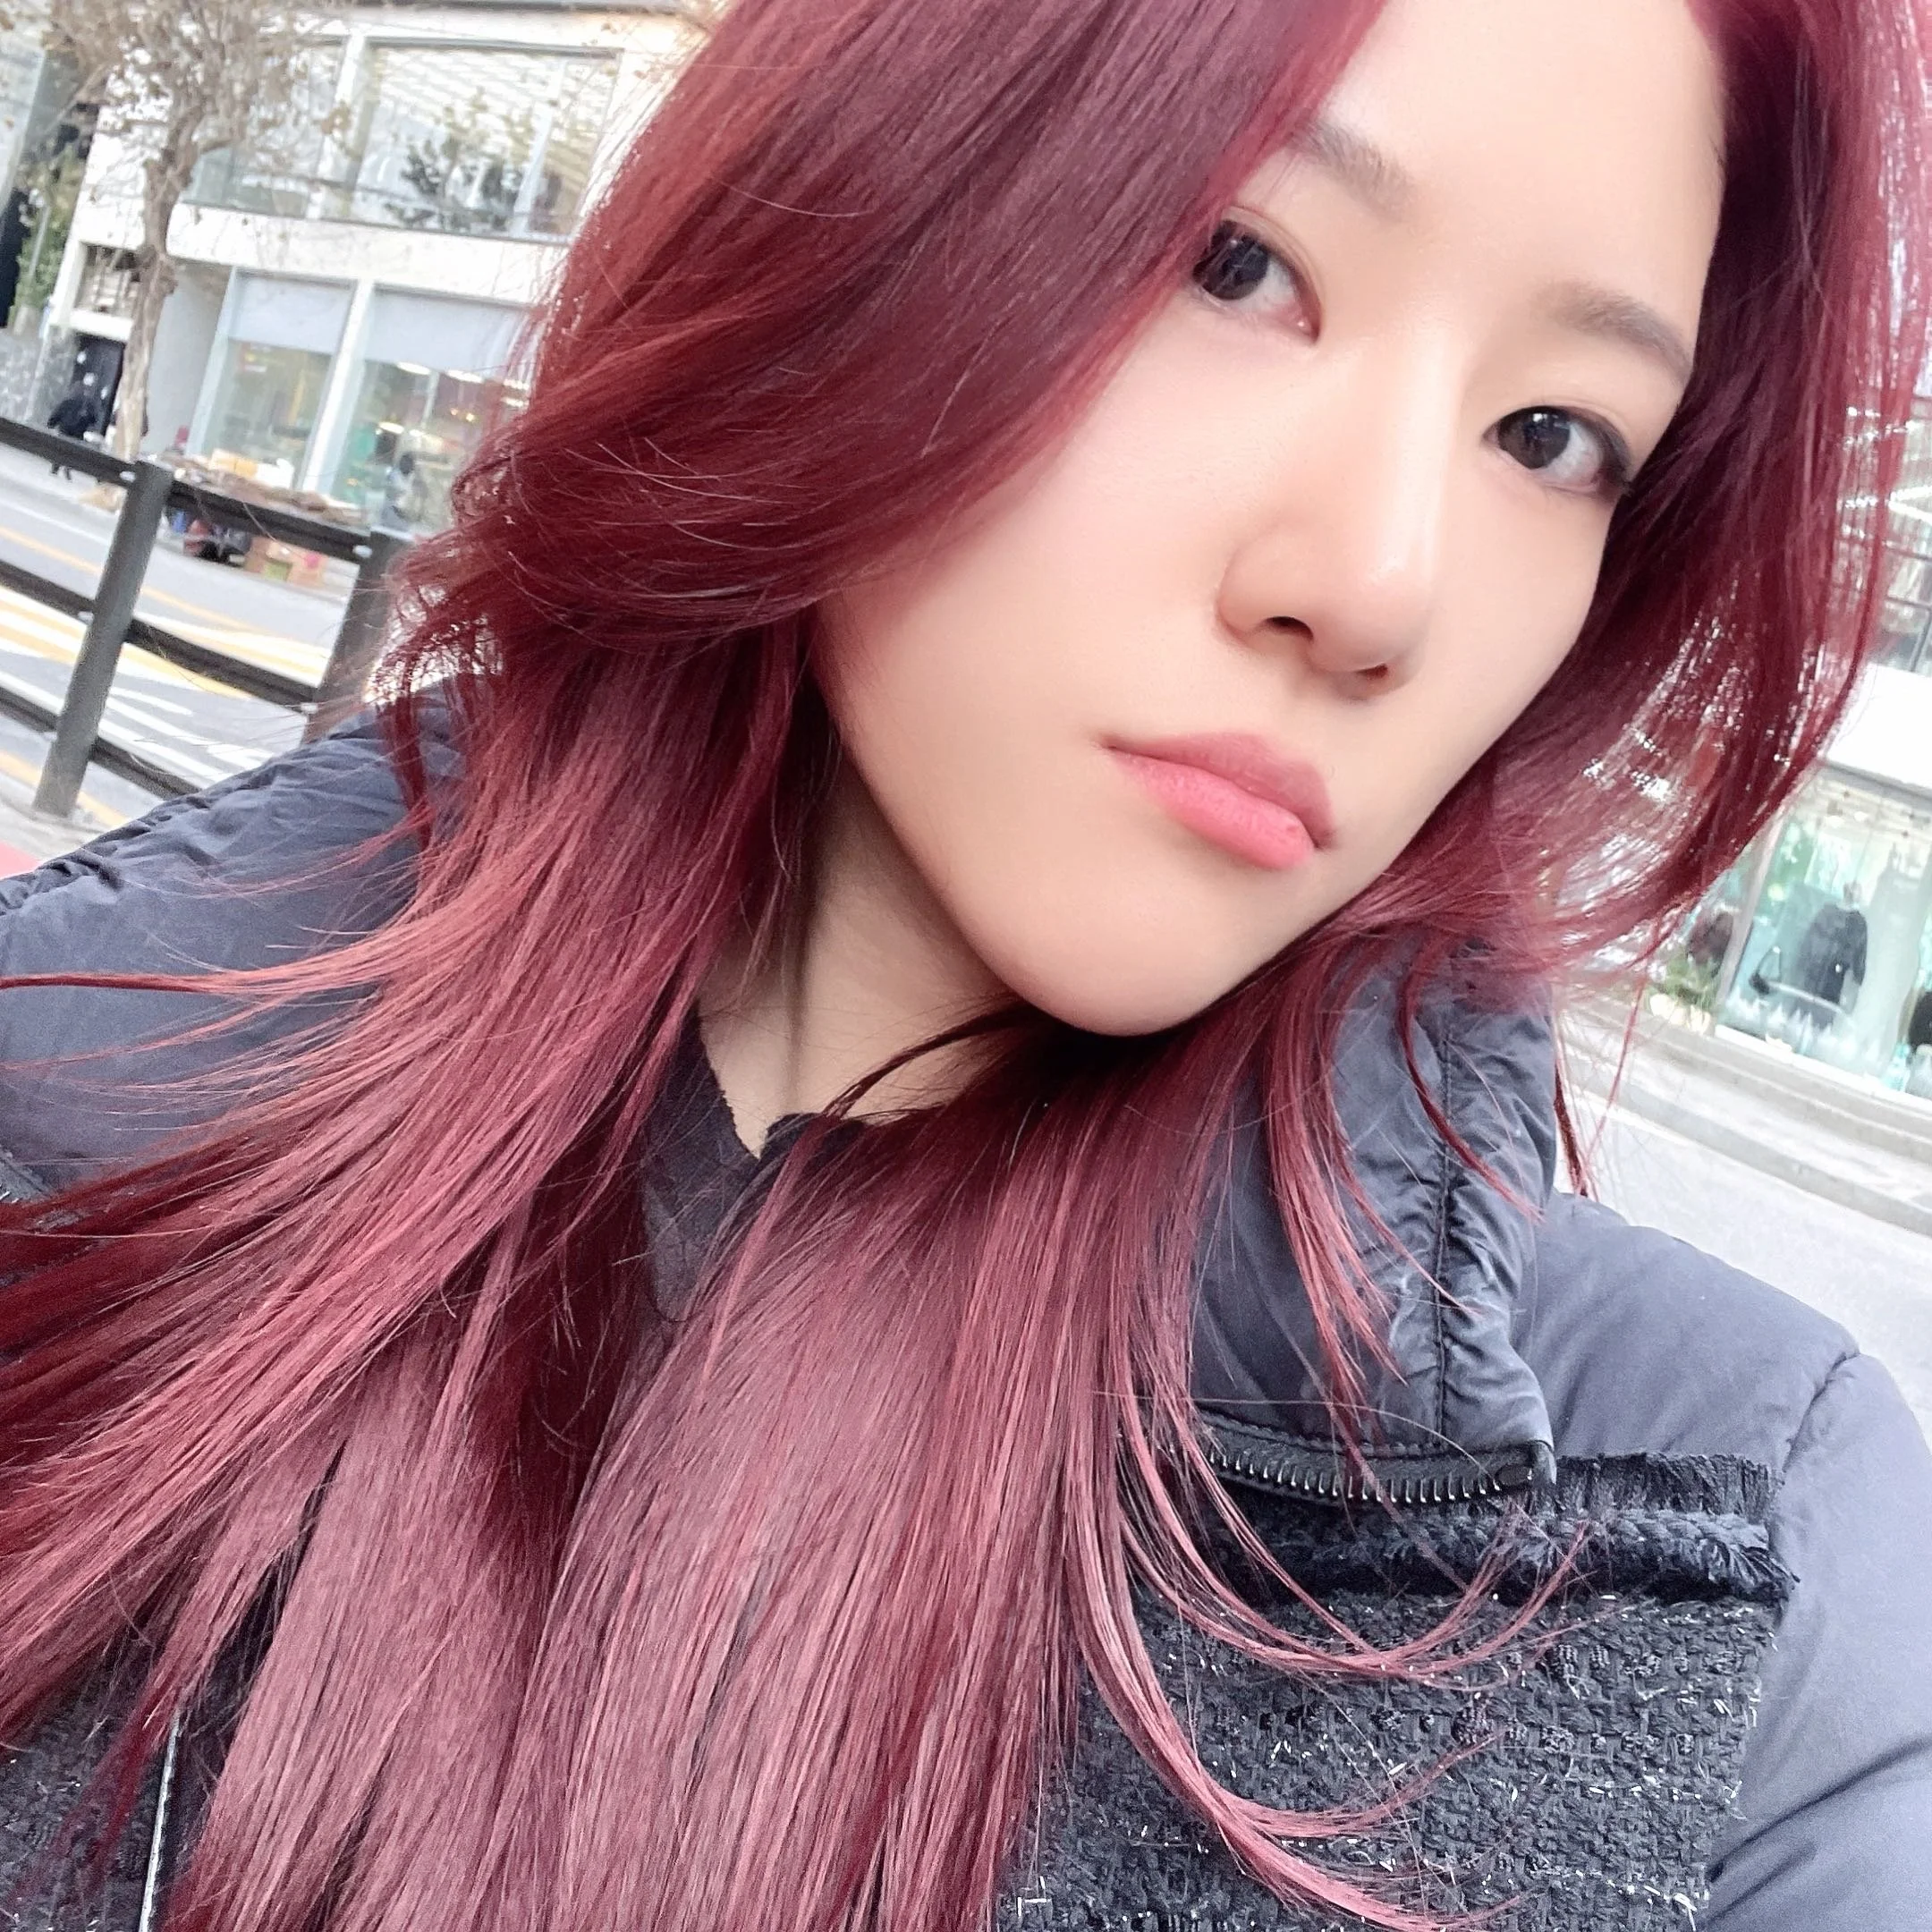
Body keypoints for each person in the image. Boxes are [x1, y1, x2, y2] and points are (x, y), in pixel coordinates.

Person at [0, 2, 1925, 1928]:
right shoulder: (87, 1087)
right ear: (871, 196)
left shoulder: (1732, 1565)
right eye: (1237, 264)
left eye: (1552, 436)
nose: (1379, 586)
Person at [44, 377, 100, 479]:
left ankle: (56, 466)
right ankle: (67, 467)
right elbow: (93, 420)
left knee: (61, 449)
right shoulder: (87, 405)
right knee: (73, 451)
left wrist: (51, 423)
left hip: (65, 429)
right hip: (77, 431)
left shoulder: (69, 401)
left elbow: (57, 413)